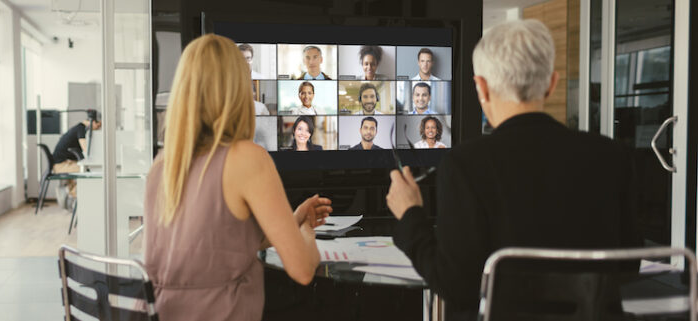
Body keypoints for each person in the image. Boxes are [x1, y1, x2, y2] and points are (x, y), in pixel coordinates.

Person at [386, 20, 640, 320]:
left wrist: (410, 215)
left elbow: (457, 286)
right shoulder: (612, 156)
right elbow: (627, 266)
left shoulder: (465, 164)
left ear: (480, 87)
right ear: (551, 83)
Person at [144, 34, 331, 321]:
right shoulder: (248, 158)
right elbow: (304, 270)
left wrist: (292, 219)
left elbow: (219, 246)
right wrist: (305, 230)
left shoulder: (164, 164)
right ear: (237, 88)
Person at [51, 114, 101, 198]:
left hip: (62, 163)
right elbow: (86, 150)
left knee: (86, 171)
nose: (98, 128)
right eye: (98, 125)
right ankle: (75, 196)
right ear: (92, 122)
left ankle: (72, 195)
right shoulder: (80, 129)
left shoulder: (79, 128)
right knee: (88, 172)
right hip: (61, 165)